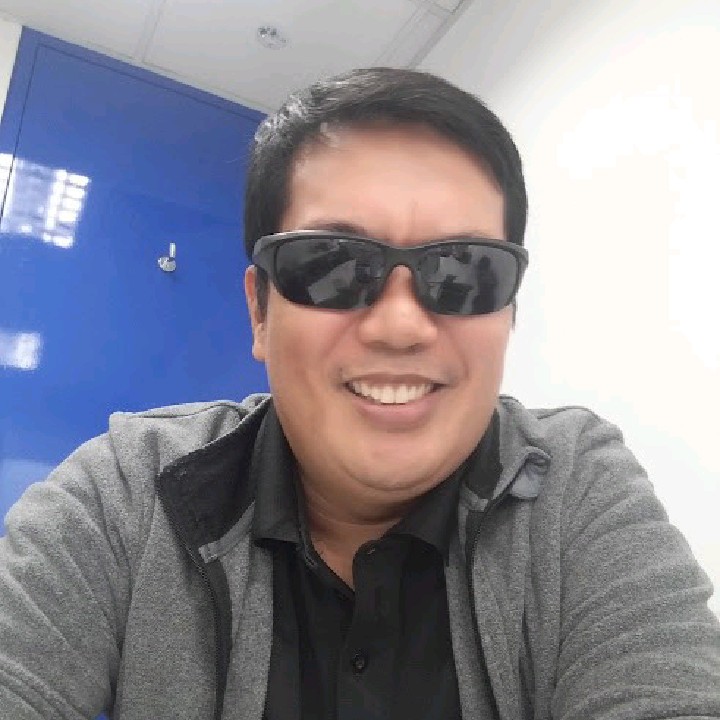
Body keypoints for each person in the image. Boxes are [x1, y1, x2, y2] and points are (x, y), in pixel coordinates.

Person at [1, 67, 719, 720]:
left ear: (509, 315)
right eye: (332, 264)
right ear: (260, 312)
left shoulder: (575, 486)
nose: (401, 325)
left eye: (465, 270)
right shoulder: (128, 492)